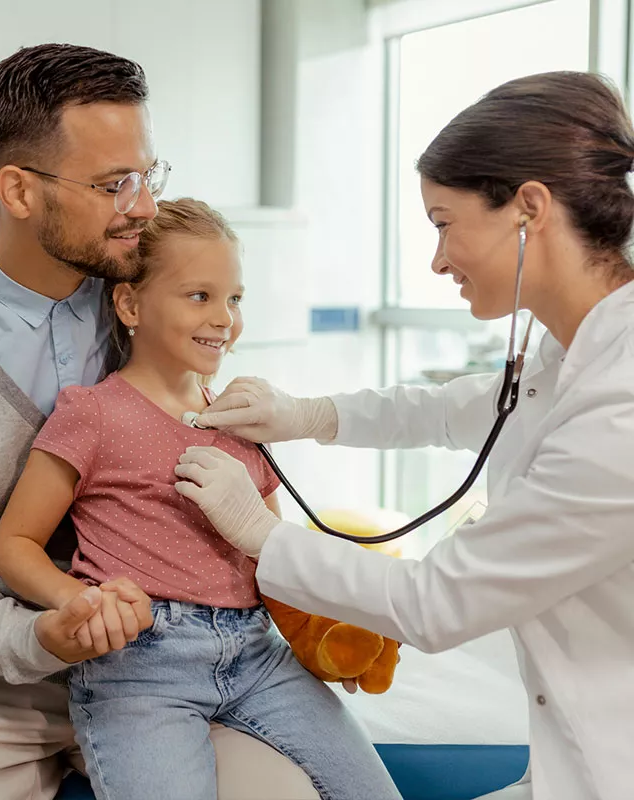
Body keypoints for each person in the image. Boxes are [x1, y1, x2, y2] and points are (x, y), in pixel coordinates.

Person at [0, 44, 320, 800]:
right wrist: (40, 633)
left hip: (165, 660)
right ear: (17, 190)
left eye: (147, 175)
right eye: (114, 185)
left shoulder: (142, 304)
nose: (142, 205)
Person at [174, 71, 634, 800]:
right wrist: (306, 415)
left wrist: (258, 532)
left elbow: (434, 602)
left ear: (530, 209)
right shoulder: (570, 352)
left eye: (444, 223)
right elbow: (451, 411)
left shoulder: (621, 409)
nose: (438, 259)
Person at [0, 198, 401, 800]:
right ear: (130, 304)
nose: (224, 319)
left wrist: (326, 624)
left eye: (234, 299)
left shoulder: (242, 419)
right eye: (199, 296)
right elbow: (14, 543)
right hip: (141, 667)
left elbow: (273, 553)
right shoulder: (93, 414)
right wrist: (78, 602)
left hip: (258, 655)